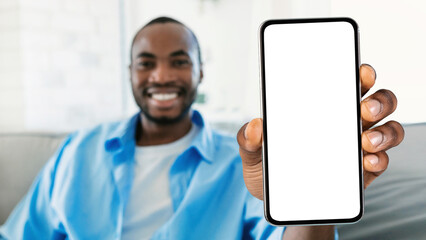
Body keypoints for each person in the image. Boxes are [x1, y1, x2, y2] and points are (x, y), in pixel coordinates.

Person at [0, 16, 404, 240]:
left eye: (179, 61)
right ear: (129, 72)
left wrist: (315, 209)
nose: (161, 75)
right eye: (146, 62)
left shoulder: (246, 165)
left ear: (199, 72)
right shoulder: (78, 151)